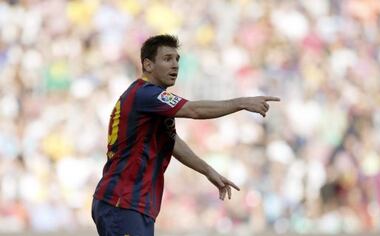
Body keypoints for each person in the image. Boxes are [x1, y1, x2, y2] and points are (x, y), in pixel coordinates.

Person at [91, 34, 280, 236]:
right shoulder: (146, 94)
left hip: (132, 204)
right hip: (123, 201)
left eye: (177, 59)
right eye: (167, 59)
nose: (175, 65)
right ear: (148, 65)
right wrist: (241, 103)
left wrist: (207, 170)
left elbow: (173, 143)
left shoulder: (151, 103)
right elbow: (194, 110)